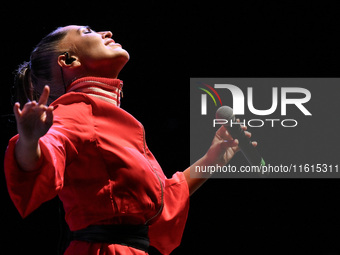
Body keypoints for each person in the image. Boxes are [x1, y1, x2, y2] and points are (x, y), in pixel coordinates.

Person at [4, 25, 256, 255]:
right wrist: (29, 140)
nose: (107, 33)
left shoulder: (113, 119)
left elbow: (159, 202)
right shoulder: (74, 112)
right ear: (69, 60)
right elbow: (43, 157)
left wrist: (211, 160)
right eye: (88, 31)